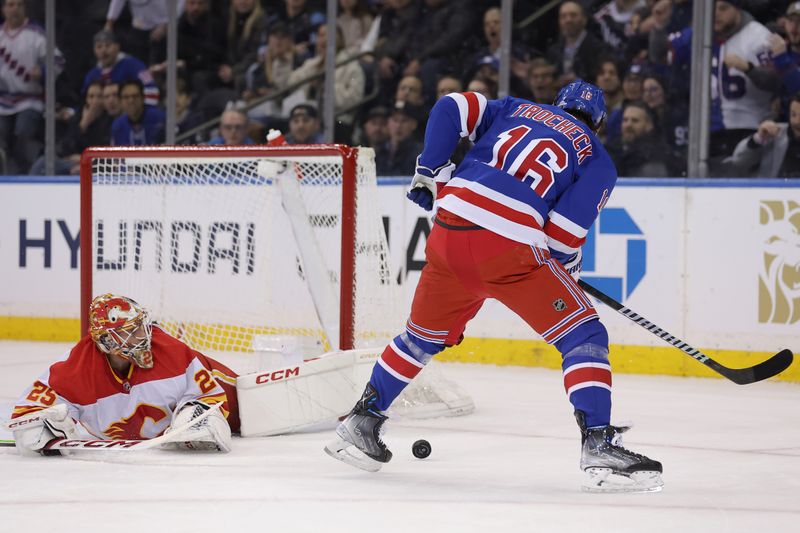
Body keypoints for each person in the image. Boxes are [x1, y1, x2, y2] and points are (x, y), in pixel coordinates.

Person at [325, 80, 664, 493]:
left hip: (449, 231)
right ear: (598, 123)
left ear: (558, 103)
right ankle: (598, 441)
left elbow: (450, 105)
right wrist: (566, 272)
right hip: (508, 246)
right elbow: (562, 236)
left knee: (419, 339)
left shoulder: (515, 108)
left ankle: (361, 421)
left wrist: (430, 170)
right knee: (584, 336)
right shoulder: (597, 157)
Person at [10, 294, 239, 456]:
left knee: (204, 420)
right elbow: (26, 414)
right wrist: (50, 427)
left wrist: (193, 417)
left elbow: (211, 396)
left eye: (141, 326)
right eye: (132, 331)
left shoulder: (172, 352)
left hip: (174, 455)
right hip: (113, 473)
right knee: (32, 433)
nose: (144, 335)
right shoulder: (74, 368)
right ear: (107, 341)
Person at [0, 0, 64, 174]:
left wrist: (43, 72)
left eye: (19, 5)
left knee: (23, 132)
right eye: (11, 5)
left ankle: (27, 174)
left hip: (29, 99)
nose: (15, 9)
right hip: (3, 100)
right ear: (3, 9)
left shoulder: (37, 34)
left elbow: (58, 61)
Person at [726, 93, 800, 178]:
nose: (797, 122)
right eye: (793, 115)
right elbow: (738, 161)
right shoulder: (774, 135)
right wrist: (758, 139)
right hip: (773, 190)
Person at [83, 29, 159, 107]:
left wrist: (143, 113)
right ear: (94, 50)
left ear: (118, 46)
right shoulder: (92, 75)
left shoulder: (135, 65)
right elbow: (83, 101)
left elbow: (151, 88)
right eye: (99, 47)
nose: (103, 50)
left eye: (108, 45)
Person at [111, 79, 166, 146]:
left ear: (143, 98)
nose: (131, 100)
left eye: (135, 96)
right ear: (120, 101)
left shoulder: (160, 119)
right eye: (126, 97)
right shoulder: (117, 126)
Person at [375, 101, 422, 176]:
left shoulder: (420, 154)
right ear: (388, 123)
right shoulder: (379, 152)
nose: (398, 126)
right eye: (395, 120)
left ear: (414, 124)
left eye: (404, 121)